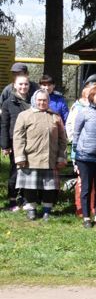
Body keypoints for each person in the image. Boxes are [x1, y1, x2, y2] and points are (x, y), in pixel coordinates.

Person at [12, 89, 67, 221]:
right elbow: (18, 138)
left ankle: (47, 210)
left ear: (48, 101)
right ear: (34, 101)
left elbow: (62, 139)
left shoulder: (55, 116)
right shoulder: (24, 116)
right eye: (39, 100)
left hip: (50, 158)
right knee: (30, 187)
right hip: (30, 159)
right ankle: (32, 209)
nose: (42, 103)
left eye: (45, 100)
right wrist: (20, 157)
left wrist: (61, 157)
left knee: (49, 188)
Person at [72, 84, 96, 228]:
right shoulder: (84, 112)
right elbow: (76, 133)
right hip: (84, 156)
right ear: (92, 97)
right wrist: (74, 156)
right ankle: (86, 217)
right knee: (87, 187)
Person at [1, 75, 35, 209]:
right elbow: (4, 125)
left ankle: (25, 197)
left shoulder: (34, 101)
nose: (23, 87)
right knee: (16, 171)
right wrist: (5, 145)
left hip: (32, 141)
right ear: (14, 85)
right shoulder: (8, 103)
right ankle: (12, 199)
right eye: (20, 84)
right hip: (15, 142)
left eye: (26, 84)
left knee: (29, 170)